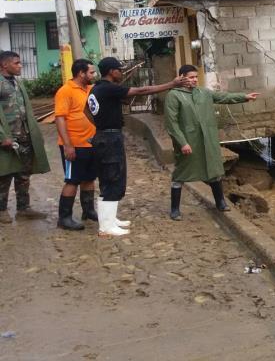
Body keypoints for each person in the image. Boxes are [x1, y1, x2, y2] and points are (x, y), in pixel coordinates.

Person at [87, 57, 188, 237]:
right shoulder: (109, 88)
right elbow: (143, 89)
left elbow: (85, 110)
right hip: (109, 138)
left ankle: (109, 219)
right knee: (113, 177)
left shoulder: (96, 89)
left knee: (108, 178)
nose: (121, 72)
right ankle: (105, 227)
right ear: (111, 71)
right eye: (119, 69)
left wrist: (99, 126)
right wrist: (171, 84)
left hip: (104, 136)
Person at [165, 64, 258, 220]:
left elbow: (223, 97)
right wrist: (182, 143)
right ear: (181, 78)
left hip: (208, 140)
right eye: (191, 77)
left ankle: (220, 202)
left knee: (214, 171)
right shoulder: (174, 96)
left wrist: (244, 97)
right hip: (189, 142)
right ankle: (175, 209)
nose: (194, 80)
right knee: (180, 174)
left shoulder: (204, 93)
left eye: (196, 77)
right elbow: (171, 123)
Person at [0, 51, 50, 224]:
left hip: (24, 135)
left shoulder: (17, 82)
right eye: (16, 63)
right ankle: (1, 210)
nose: (20, 65)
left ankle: (23, 208)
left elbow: (26, 110)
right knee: (4, 175)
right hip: (7, 137)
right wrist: (2, 137)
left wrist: (34, 133)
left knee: (24, 174)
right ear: (4, 65)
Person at [54, 59, 102, 230]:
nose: (94, 75)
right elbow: (59, 118)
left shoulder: (90, 89)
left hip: (91, 144)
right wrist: (68, 145)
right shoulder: (65, 91)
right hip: (74, 145)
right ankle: (64, 217)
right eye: (91, 72)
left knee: (89, 178)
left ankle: (88, 210)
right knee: (72, 180)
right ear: (81, 73)